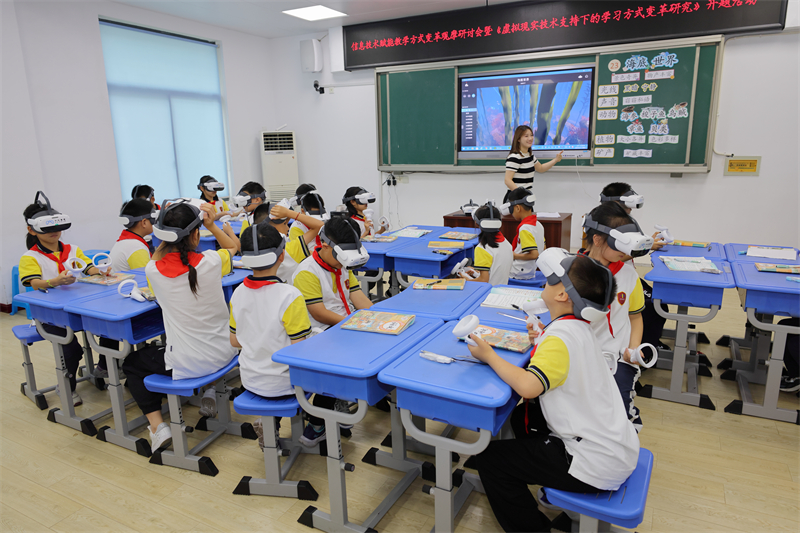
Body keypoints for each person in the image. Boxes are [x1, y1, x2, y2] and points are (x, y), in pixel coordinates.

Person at [470, 248, 639, 533]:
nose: (545, 282)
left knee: (490, 461)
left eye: (550, 280)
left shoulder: (560, 337)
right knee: (521, 419)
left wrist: (489, 356)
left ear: (562, 295)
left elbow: (528, 387)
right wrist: (542, 338)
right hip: (614, 446)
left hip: (593, 463)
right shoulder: (578, 327)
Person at [121, 200, 239, 451]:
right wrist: (212, 225)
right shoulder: (212, 261)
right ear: (196, 234)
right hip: (227, 352)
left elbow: (157, 257)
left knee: (131, 363)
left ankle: (157, 427)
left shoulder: (153, 271)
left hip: (190, 363)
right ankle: (208, 391)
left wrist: (165, 237)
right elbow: (233, 246)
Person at [19, 191, 112, 406]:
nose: (55, 232)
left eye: (57, 227)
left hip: (78, 309)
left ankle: (103, 368)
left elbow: (88, 268)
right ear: (32, 229)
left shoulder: (73, 250)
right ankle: (66, 387)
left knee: (111, 328)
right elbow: (34, 283)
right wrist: (55, 281)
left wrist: (101, 271)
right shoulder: (31, 257)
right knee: (71, 350)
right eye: (48, 228)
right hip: (50, 316)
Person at [229, 222, 312, 449]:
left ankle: (270, 425)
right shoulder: (290, 295)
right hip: (285, 385)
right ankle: (318, 426)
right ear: (281, 255)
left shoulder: (237, 293)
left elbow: (234, 341)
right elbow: (299, 351)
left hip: (250, 380)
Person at [291, 215, 373, 445]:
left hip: (344, 325)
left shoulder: (341, 264)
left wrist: (378, 316)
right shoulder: (307, 272)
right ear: (325, 245)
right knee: (339, 363)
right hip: (319, 332)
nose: (343, 262)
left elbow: (357, 296)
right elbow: (319, 313)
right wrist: (354, 325)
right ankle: (317, 423)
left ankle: (342, 399)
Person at [583, 201, 653, 432]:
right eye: (619, 245)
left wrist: (633, 351)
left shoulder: (629, 276)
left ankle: (627, 436)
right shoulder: (574, 272)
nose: (625, 252)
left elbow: (635, 317)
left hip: (618, 357)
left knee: (620, 408)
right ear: (597, 239)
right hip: (581, 355)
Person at [597, 182, 669, 351]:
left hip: (628, 275)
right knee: (656, 307)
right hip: (615, 277)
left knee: (658, 303)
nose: (631, 209)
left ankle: (648, 342)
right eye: (628, 205)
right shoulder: (604, 223)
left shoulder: (625, 222)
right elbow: (614, 255)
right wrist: (647, 247)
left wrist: (648, 242)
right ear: (616, 202)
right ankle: (644, 349)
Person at [249, 201, 323, 282]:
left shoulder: (253, 248)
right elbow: (319, 225)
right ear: (272, 229)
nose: (288, 228)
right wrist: (289, 213)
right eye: (285, 224)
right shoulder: (290, 249)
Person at [503, 125, 562, 203]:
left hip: (525, 197)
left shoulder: (530, 155)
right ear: (518, 139)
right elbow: (507, 180)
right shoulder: (514, 157)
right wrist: (521, 195)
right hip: (515, 198)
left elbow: (540, 168)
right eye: (526, 136)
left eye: (531, 135)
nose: (530, 138)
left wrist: (555, 160)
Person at [460, 202, 512, 286]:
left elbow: (484, 280)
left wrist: (466, 280)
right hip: (502, 288)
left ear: (476, 223)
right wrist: (477, 271)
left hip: (489, 291)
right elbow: (495, 270)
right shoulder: (506, 243)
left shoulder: (482, 248)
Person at [502, 187, 546, 280]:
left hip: (518, 273)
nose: (511, 213)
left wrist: (513, 255)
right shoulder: (538, 224)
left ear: (518, 208)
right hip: (530, 271)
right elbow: (543, 248)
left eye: (511, 209)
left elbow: (534, 254)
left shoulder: (525, 228)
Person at [110, 198, 155, 272]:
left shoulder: (127, 242)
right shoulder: (137, 248)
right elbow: (147, 276)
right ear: (144, 222)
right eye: (153, 220)